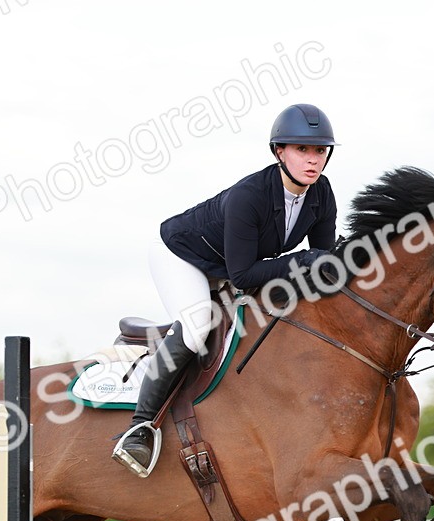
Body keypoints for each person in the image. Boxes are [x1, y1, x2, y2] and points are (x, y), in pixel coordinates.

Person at [112, 103, 340, 477]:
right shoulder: (249, 195)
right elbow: (246, 274)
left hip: (232, 265)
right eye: (302, 150)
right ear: (279, 152)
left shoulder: (321, 194)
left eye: (319, 151)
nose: (312, 160)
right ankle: (140, 427)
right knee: (199, 322)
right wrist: (307, 261)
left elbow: (321, 262)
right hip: (182, 256)